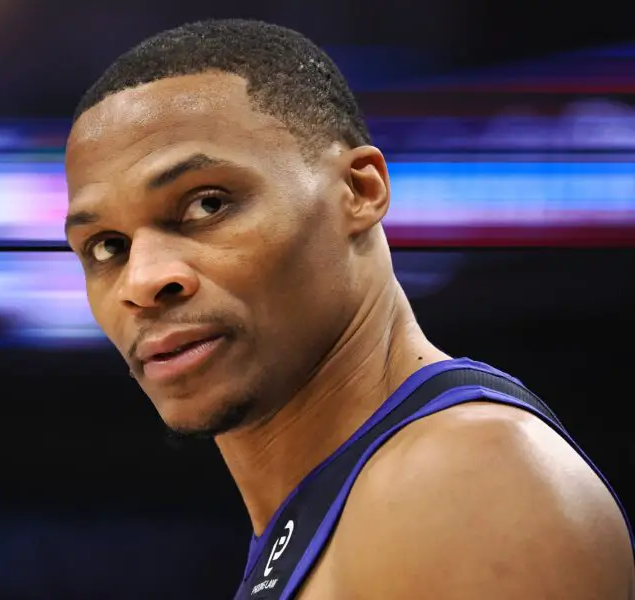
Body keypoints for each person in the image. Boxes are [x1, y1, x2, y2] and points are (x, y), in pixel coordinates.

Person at [63, 19, 634, 599]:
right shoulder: (351, 504)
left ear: (360, 191)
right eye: (107, 247)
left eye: (207, 205)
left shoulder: (464, 478)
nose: (142, 281)